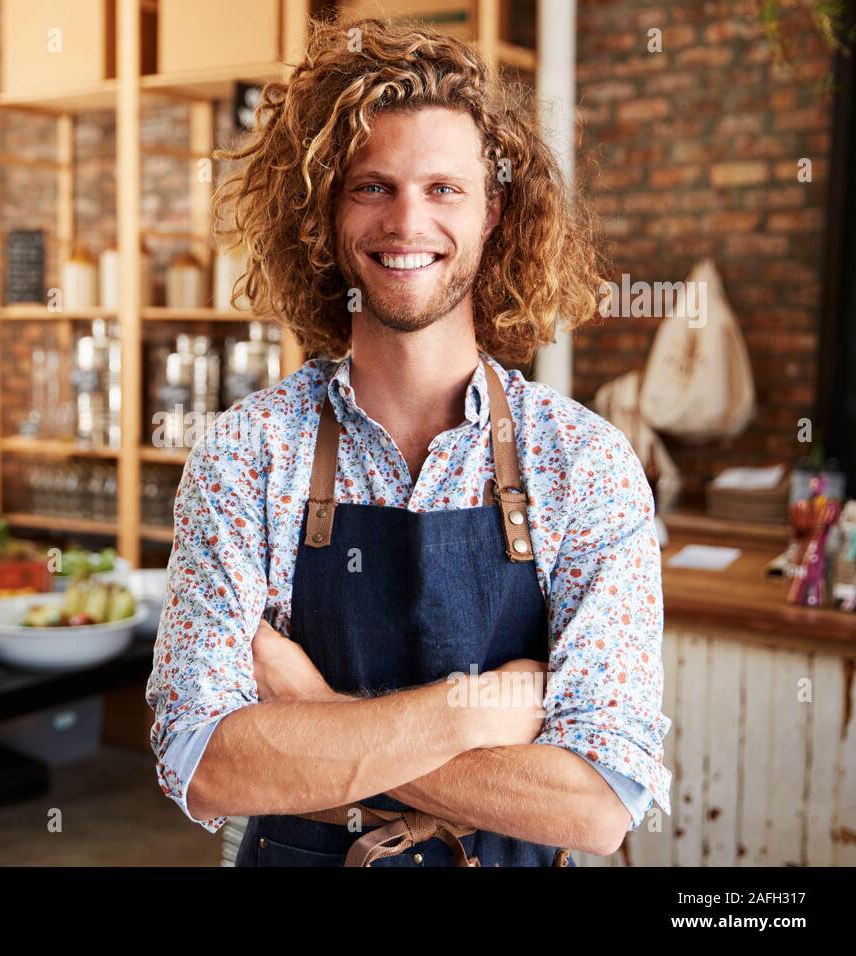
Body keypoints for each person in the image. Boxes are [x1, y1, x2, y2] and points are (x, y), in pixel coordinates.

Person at [145, 18, 671, 867]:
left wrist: (314, 711)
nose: (406, 221)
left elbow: (597, 805)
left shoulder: (584, 464)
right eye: (372, 187)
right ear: (328, 211)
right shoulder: (246, 454)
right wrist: (473, 710)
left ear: (494, 210)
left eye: (444, 189)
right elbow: (202, 762)